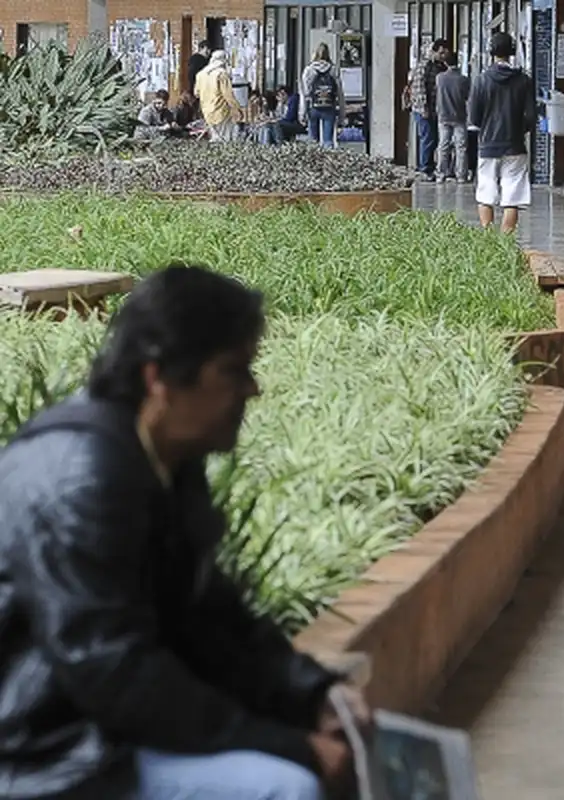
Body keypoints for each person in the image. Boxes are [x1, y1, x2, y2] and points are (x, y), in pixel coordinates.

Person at [0, 264, 372, 798]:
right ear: (160, 378)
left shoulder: (162, 454)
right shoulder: (79, 478)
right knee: (284, 786)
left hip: (100, 729)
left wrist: (315, 694)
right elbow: (112, 670)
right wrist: (287, 745)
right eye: (234, 370)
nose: (254, 388)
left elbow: (211, 615)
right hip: (46, 755)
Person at [467, 32, 538, 234]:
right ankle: (506, 240)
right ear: (513, 52)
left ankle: (488, 239)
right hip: (515, 144)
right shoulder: (524, 80)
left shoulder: (480, 80)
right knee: (512, 195)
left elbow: (474, 117)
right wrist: (519, 129)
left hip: (488, 144)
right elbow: (532, 116)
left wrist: (486, 128)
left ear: (490, 52)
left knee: (485, 192)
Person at [404, 39, 449, 179]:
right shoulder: (424, 66)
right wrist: (423, 108)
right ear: (434, 51)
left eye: (445, 53)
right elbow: (419, 88)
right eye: (441, 53)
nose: (443, 56)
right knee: (428, 137)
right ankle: (425, 168)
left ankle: (427, 165)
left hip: (435, 109)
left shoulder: (441, 66)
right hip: (423, 109)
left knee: (433, 138)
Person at [435, 50, 472, 183]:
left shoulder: (440, 78)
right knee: (461, 147)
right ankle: (461, 175)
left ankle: (441, 174)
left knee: (443, 146)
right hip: (459, 116)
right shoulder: (463, 80)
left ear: (445, 63)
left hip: (443, 116)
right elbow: (468, 97)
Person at [300, 44, 344, 148]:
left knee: (312, 140)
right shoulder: (333, 69)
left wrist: (302, 112)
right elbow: (340, 92)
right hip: (329, 106)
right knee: (328, 140)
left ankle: (314, 162)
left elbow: (304, 93)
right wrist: (342, 113)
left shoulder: (309, 70)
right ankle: (327, 161)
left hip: (313, 107)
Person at [197, 50, 244, 142]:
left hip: (207, 112)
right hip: (221, 111)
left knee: (214, 138)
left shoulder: (201, 74)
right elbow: (228, 95)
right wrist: (237, 109)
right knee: (223, 139)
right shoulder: (221, 74)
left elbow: (196, 93)